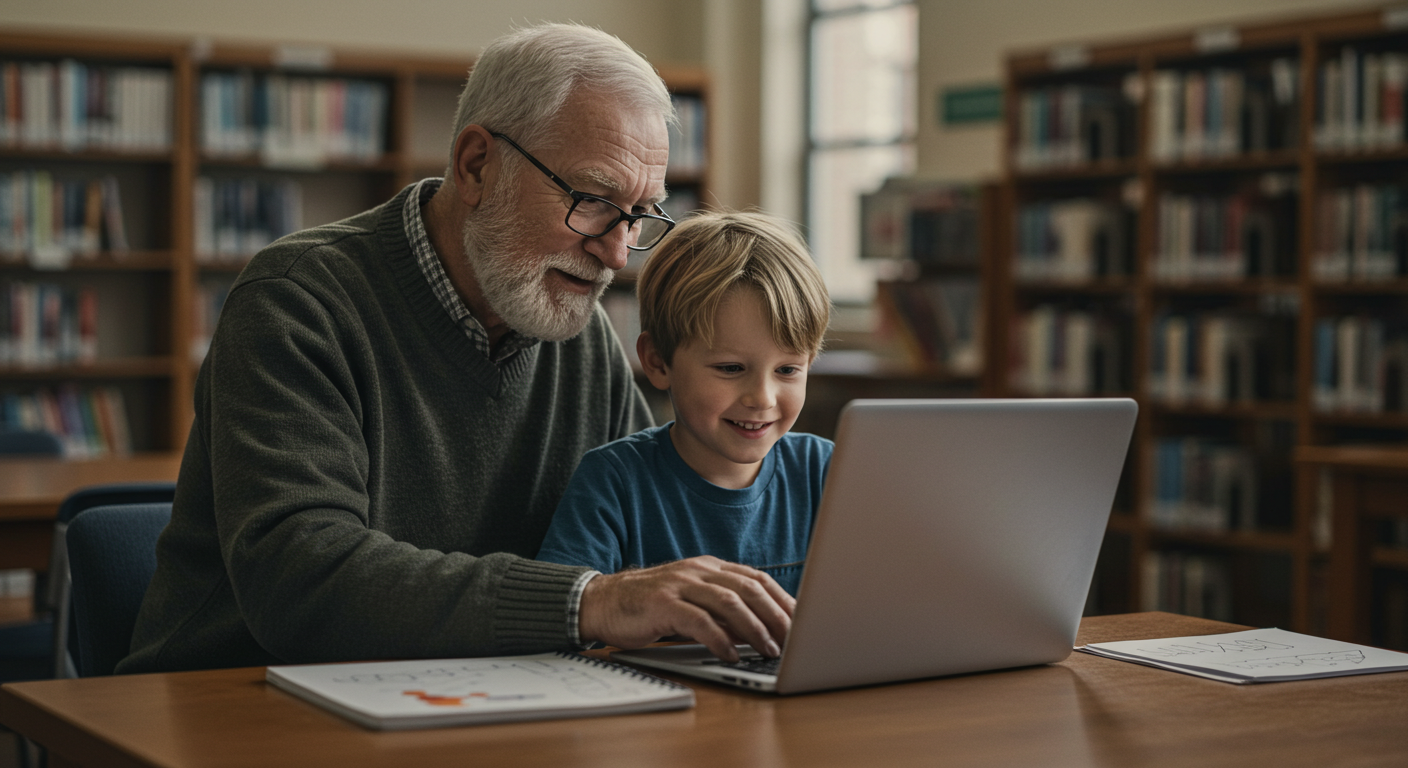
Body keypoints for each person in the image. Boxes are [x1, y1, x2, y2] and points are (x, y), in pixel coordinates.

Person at [119, 23, 793, 674]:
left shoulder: (578, 330)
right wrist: (588, 603)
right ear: (477, 165)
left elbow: (645, 531)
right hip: (237, 703)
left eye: (640, 214)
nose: (617, 252)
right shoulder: (298, 301)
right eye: (592, 200)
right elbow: (298, 583)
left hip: (478, 700)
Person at [537, 211, 833, 598]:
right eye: (731, 368)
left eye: (788, 369)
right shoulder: (613, 481)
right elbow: (560, 608)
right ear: (659, 362)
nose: (762, 397)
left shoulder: (826, 471)